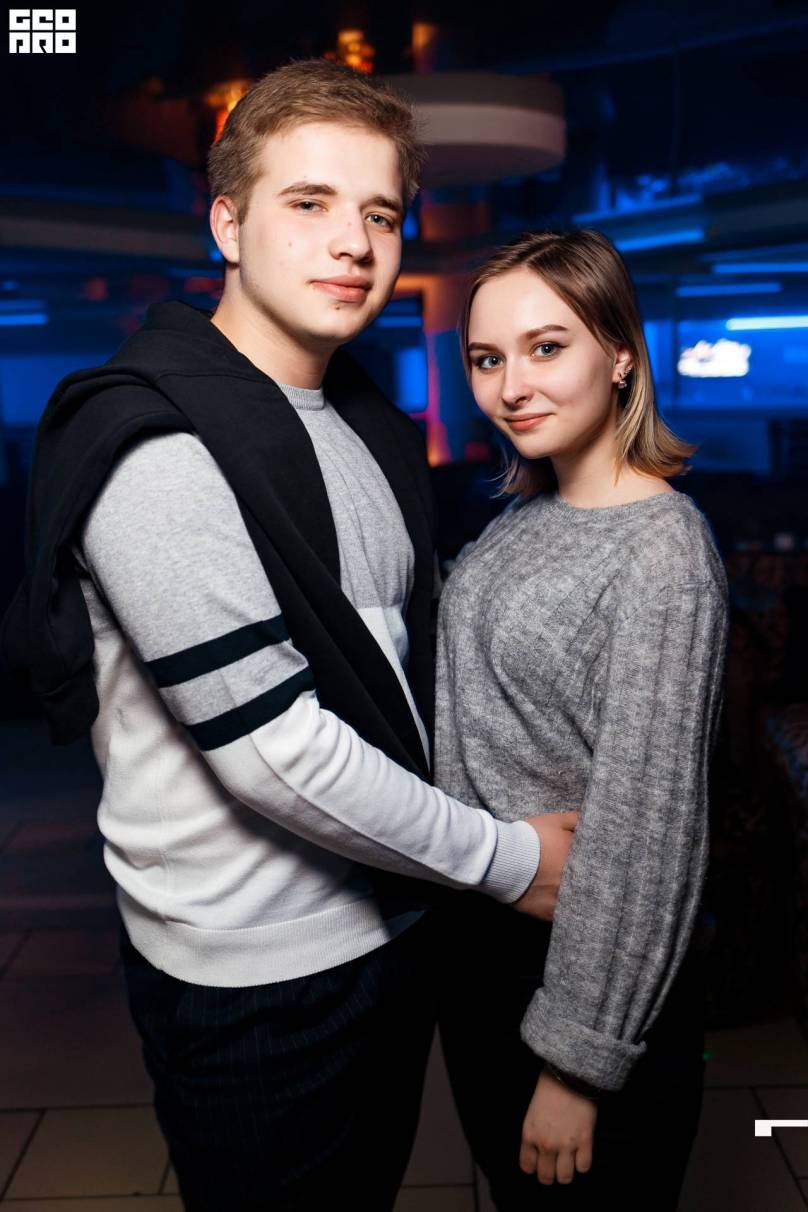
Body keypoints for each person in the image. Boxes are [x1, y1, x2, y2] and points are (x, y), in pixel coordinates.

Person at [0, 63, 579, 1212]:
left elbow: (398, 664)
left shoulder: (363, 422)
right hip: (260, 980)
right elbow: (273, 751)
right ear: (226, 223)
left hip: (387, 922)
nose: (353, 244)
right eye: (308, 203)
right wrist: (510, 862)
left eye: (380, 214)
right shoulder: (159, 449)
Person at [434, 229, 729, 1211]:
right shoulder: (524, 514)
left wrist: (578, 1064)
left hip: (582, 970)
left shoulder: (662, 549)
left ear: (621, 355)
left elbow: (648, 830)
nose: (511, 385)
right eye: (487, 359)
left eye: (546, 347)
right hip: (488, 942)